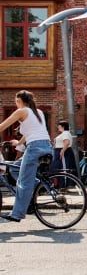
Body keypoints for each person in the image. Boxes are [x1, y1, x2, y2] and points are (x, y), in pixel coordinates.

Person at [0, 90, 53, 223]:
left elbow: (3, 126)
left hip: (34, 148)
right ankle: (37, 186)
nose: (16, 104)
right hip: (46, 145)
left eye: (16, 102)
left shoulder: (21, 111)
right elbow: (32, 132)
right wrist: (19, 143)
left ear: (19, 101)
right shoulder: (38, 112)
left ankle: (17, 214)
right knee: (14, 167)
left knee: (23, 183)